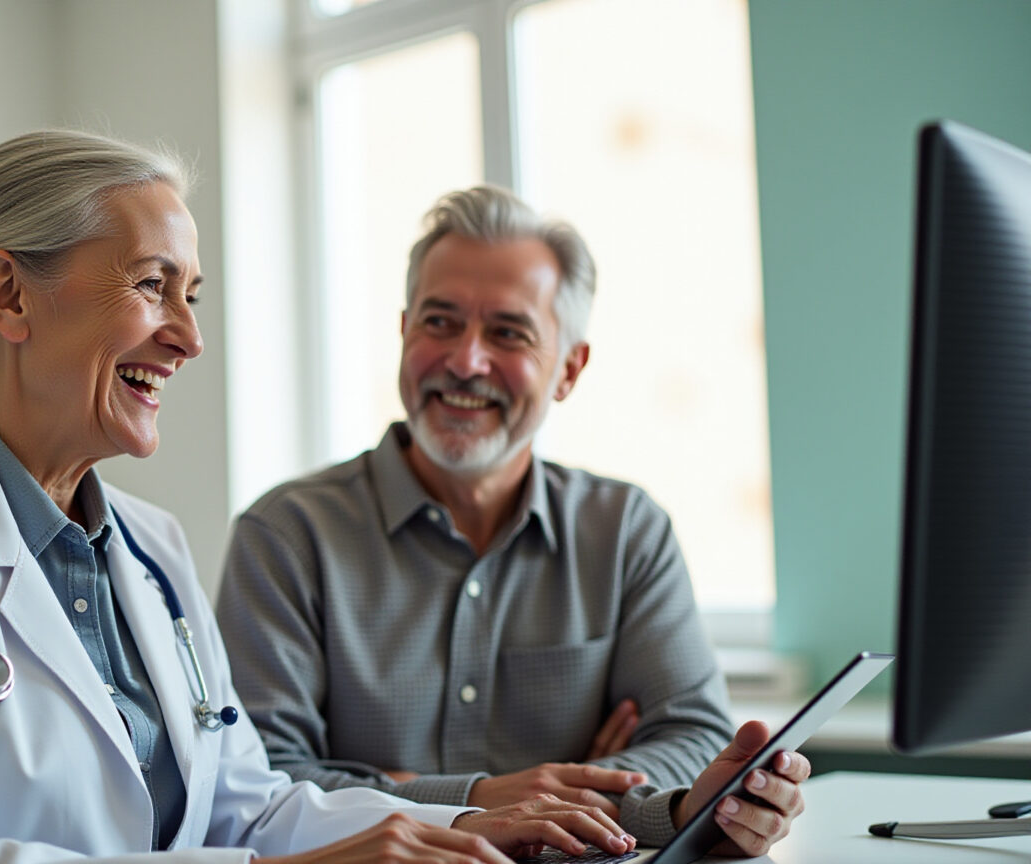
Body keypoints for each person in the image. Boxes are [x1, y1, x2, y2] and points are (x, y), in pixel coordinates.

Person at [0, 133, 641, 864]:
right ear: (8, 295)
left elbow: (245, 806)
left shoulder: (149, 549)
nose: (190, 338)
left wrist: (459, 829)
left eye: (191, 294)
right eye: (154, 286)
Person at [216, 185, 810, 857]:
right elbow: (263, 779)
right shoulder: (285, 537)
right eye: (439, 323)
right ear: (404, 332)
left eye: (508, 333)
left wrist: (416, 788)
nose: (466, 360)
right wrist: (477, 799)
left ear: (569, 369)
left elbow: (697, 740)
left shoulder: (626, 532)